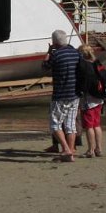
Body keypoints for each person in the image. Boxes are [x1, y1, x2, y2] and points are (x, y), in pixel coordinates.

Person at [43, 29, 81, 162]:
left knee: (55, 124)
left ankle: (65, 149)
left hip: (60, 94)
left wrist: (49, 52)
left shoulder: (56, 55)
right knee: (70, 125)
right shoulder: (76, 53)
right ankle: (70, 152)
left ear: (54, 42)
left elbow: (44, 66)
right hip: (74, 93)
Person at [76, 44, 104, 158]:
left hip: (88, 99)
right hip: (99, 98)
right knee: (97, 125)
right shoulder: (97, 63)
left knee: (89, 126)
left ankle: (90, 150)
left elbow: (82, 83)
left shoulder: (84, 66)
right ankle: (99, 149)